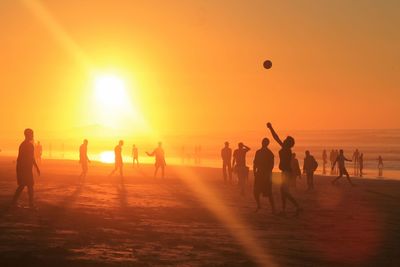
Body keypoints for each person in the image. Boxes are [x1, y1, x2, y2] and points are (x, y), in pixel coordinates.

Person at [266, 123, 302, 216]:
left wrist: (271, 128)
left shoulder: (286, 149)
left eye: (285, 140)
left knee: (284, 191)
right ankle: (285, 210)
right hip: (285, 172)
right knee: (283, 192)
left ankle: (297, 206)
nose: (284, 140)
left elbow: (276, 138)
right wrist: (271, 128)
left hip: (286, 172)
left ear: (288, 143)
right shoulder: (286, 148)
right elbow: (276, 137)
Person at [12, 128, 41, 209]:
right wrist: (36, 167)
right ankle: (30, 204)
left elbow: (31, 158)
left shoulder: (25, 144)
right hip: (24, 169)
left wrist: (36, 167)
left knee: (25, 185)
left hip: (24, 168)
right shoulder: (27, 145)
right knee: (28, 185)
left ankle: (15, 201)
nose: (33, 136)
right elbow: (28, 158)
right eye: (31, 134)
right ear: (27, 135)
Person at [253, 138, 276, 213]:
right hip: (259, 174)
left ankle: (273, 209)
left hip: (266, 174)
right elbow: (255, 163)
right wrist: (254, 172)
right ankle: (259, 205)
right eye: (263, 142)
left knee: (269, 193)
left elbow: (271, 166)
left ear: (267, 144)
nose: (263, 143)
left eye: (265, 142)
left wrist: (267, 175)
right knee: (256, 191)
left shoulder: (270, 153)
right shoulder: (258, 152)